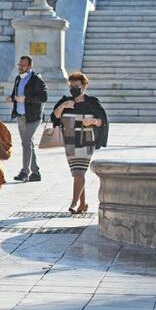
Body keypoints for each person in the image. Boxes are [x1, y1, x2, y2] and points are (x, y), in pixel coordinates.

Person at [51, 72, 109, 215]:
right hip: (69, 141)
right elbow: (55, 117)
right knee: (77, 173)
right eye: (71, 86)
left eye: (76, 86)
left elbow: (103, 121)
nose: (73, 89)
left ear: (84, 86)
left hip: (86, 141)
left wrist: (93, 121)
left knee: (79, 171)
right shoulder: (66, 101)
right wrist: (64, 105)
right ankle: (82, 204)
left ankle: (74, 201)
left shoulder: (92, 102)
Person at [8, 55, 48, 183]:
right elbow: (16, 93)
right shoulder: (18, 79)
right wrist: (12, 98)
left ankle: (25, 172)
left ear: (30, 66)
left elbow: (43, 98)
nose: (20, 67)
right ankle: (35, 172)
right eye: (19, 65)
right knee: (28, 143)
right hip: (21, 116)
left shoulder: (36, 80)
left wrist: (26, 99)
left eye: (23, 65)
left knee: (26, 143)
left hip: (33, 117)